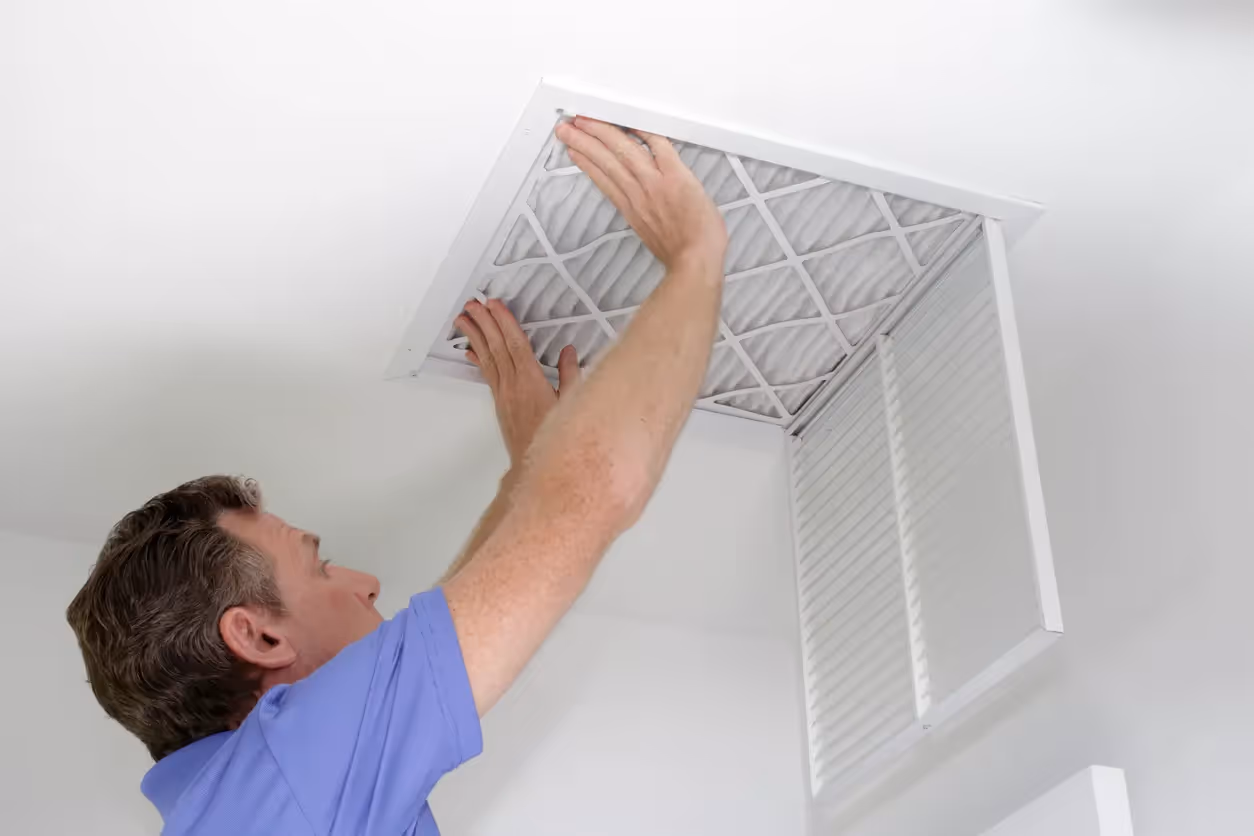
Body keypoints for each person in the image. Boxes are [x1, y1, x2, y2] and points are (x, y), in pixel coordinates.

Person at [65, 117, 729, 836]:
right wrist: (695, 255)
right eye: (319, 568)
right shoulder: (286, 780)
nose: (368, 583)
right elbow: (591, 494)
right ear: (258, 638)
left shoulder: (257, 802)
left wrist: (531, 475)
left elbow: (446, 635)